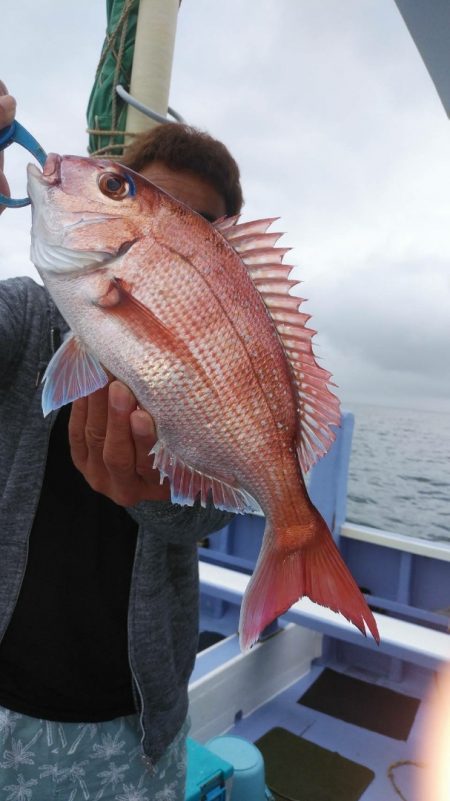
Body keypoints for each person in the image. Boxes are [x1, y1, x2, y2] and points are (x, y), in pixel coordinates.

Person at [0, 82, 243, 800]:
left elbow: (214, 510)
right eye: (141, 200)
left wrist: (157, 495)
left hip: (134, 718)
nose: (166, 247)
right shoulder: (28, 314)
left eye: (200, 229)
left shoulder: (228, 361)